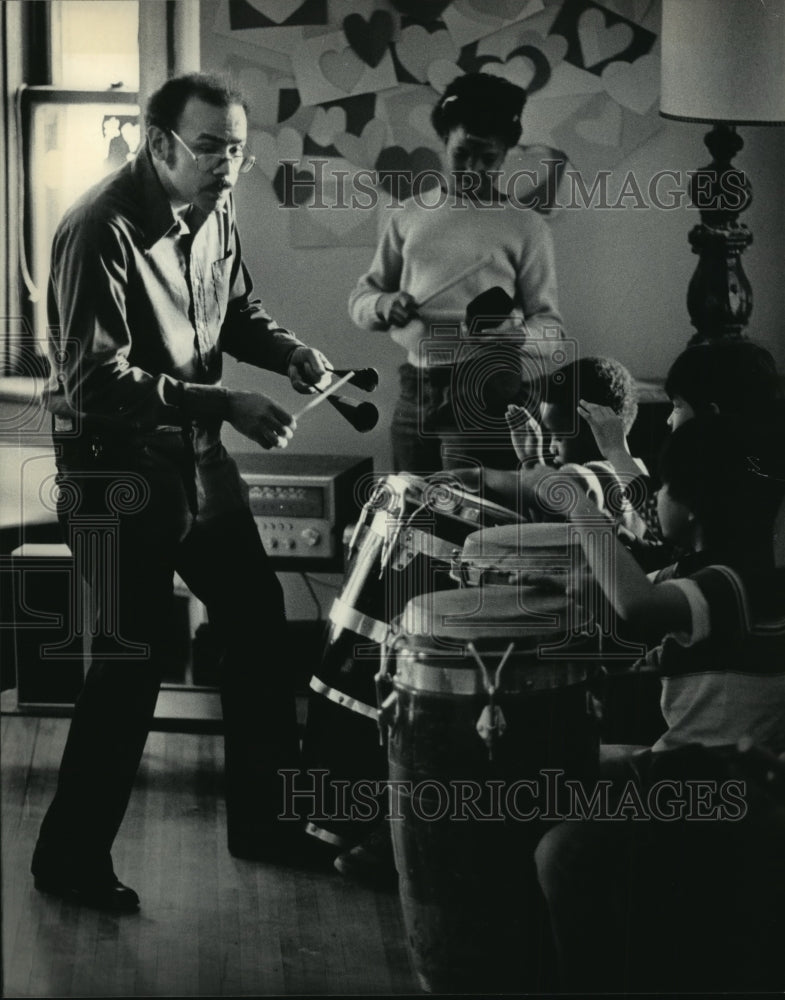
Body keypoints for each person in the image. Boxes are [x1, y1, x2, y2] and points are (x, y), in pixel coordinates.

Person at [32, 73, 335, 912]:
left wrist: (289, 354)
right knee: (130, 665)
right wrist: (225, 402)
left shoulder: (216, 207)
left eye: (237, 146)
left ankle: (267, 825)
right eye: (211, 147)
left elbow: (233, 310)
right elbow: (96, 382)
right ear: (158, 142)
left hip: (195, 458)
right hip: (112, 471)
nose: (227, 163)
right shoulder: (98, 229)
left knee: (260, 624)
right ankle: (68, 860)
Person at [531, 413, 785, 993]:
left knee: (558, 850)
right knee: (557, 772)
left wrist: (578, 504)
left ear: (692, 505)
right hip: (696, 768)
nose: (658, 500)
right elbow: (627, 595)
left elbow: (637, 607)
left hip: (716, 779)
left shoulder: (730, 585)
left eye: (665, 488)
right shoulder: (716, 575)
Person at [349, 72, 562, 476]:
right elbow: (362, 297)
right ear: (444, 140)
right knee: (413, 510)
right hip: (417, 386)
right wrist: (383, 304)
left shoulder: (526, 226)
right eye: (463, 153)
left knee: (476, 520)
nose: (474, 168)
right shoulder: (408, 214)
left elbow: (550, 329)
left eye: (489, 159)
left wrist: (518, 336)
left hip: (488, 390)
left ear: (505, 154)